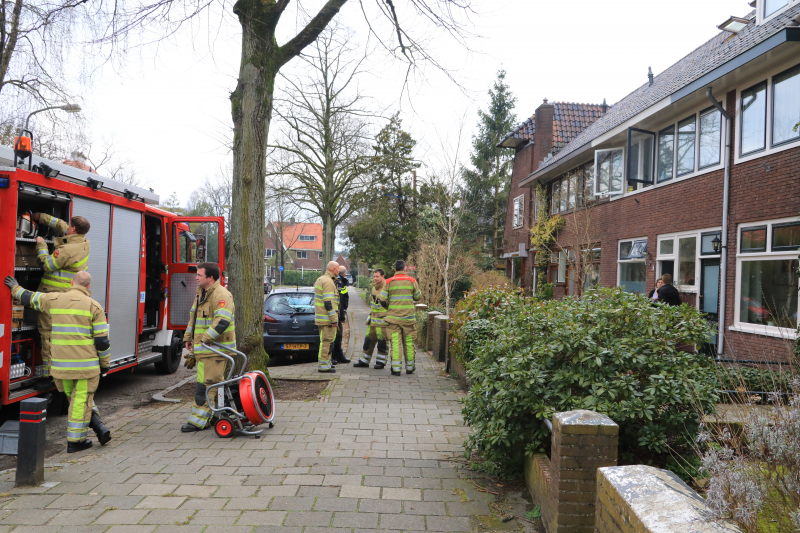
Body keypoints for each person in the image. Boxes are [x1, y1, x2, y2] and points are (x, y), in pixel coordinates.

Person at [5, 271, 110, 453]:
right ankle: (75, 442)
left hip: (61, 367)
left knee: (77, 400)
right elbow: (102, 342)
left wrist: (14, 287)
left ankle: (97, 425)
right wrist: (105, 364)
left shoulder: (54, 299)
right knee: (81, 401)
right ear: (88, 287)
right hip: (85, 367)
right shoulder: (94, 307)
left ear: (72, 282)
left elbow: (29, 298)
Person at [30, 213, 91, 391]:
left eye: (69, 226)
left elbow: (45, 265)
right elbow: (60, 224)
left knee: (48, 335)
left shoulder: (68, 250)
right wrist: (40, 216)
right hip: (67, 295)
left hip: (54, 296)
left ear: (73, 229)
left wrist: (40, 243)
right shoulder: (83, 241)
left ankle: (48, 376)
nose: (67, 227)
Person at [181, 262, 236, 432]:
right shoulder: (201, 294)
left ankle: (198, 421)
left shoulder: (221, 295)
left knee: (206, 385)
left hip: (216, 351)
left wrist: (203, 340)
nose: (196, 277)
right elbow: (194, 319)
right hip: (206, 350)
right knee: (209, 384)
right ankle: (216, 416)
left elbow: (222, 322)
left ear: (210, 277)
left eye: (199, 275)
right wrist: (188, 338)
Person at [382, 260, 422, 376]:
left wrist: (389, 308)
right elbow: (418, 297)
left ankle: (396, 369)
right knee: (409, 343)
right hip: (408, 319)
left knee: (395, 343)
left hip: (393, 319)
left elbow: (383, 300)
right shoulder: (412, 281)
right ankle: (410, 368)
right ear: (405, 269)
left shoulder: (388, 281)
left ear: (395, 269)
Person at [354, 268, 388, 369]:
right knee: (368, 341)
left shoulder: (387, 288)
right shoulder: (374, 287)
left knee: (382, 342)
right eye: (374, 276)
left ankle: (381, 362)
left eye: (377, 276)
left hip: (382, 321)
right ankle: (364, 361)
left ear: (383, 276)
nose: (375, 278)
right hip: (372, 320)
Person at [314, 261, 340, 373]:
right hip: (328, 319)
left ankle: (326, 363)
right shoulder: (328, 282)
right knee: (327, 342)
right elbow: (329, 303)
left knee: (324, 341)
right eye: (338, 268)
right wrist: (334, 319)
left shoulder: (321, 279)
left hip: (322, 318)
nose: (339, 271)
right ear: (333, 269)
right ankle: (324, 365)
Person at [331, 266, 350, 364]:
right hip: (336, 314)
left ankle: (338, 356)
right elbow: (341, 301)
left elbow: (343, 297)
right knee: (336, 336)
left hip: (337, 313)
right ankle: (334, 357)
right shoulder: (339, 283)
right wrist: (342, 315)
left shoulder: (340, 282)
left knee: (338, 336)